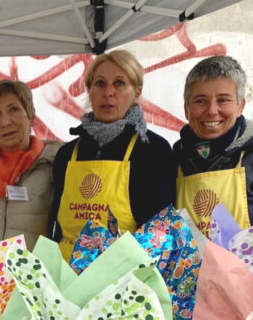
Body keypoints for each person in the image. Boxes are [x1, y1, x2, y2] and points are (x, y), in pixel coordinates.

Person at [50, 50, 175, 257]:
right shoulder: (66, 154)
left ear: (136, 91)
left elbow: (159, 233)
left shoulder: (153, 150)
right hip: (64, 272)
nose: (108, 92)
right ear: (89, 90)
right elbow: (54, 228)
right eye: (100, 83)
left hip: (124, 271)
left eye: (119, 83)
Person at [173, 55, 253, 245]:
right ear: (186, 108)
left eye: (223, 100)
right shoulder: (175, 160)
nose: (211, 110)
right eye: (200, 101)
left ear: (240, 106)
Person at [0, 81, 61, 249]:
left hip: (31, 265)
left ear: (31, 116)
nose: (5, 122)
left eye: (14, 109)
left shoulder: (55, 162)